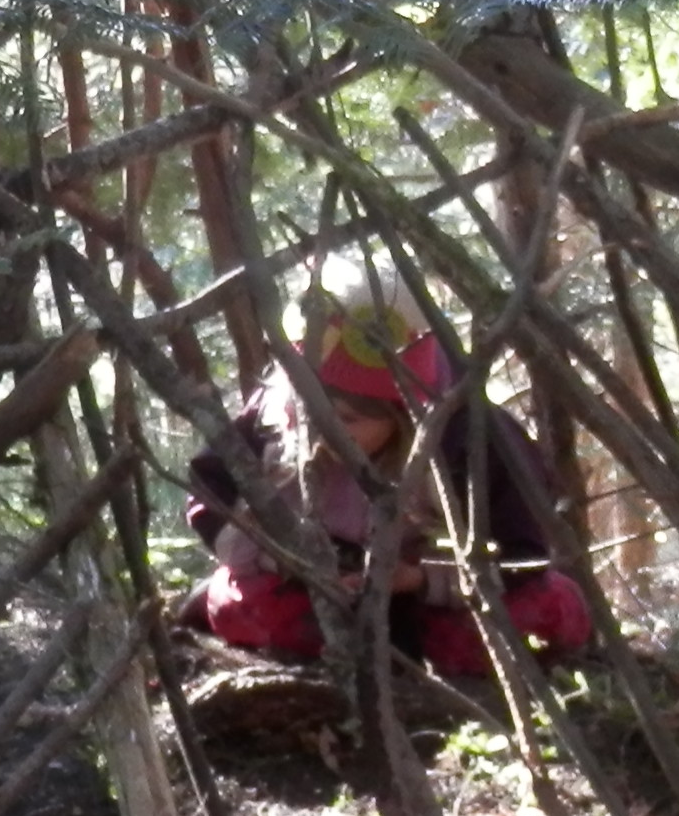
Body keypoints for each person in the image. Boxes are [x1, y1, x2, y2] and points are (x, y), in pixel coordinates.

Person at [187, 279, 592, 679]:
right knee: (245, 604)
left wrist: (418, 578)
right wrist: (284, 557)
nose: (321, 431)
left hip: (434, 595)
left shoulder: (473, 443)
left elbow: (521, 558)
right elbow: (212, 495)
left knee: (550, 610)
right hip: (311, 592)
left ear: (401, 417)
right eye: (307, 409)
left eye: (347, 419)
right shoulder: (273, 417)